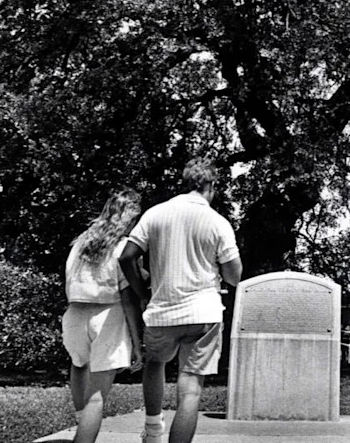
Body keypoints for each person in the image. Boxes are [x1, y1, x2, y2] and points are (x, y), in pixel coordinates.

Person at [120, 157, 242, 443]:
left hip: (162, 310)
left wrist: (142, 294)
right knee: (190, 390)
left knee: (155, 365)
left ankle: (152, 431)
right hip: (204, 313)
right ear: (210, 185)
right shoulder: (217, 222)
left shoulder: (155, 214)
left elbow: (126, 256)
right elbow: (234, 276)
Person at [62, 190, 144, 443]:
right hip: (108, 315)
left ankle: (81, 420)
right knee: (97, 395)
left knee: (78, 365)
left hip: (74, 313)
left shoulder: (80, 245)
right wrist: (136, 341)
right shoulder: (123, 249)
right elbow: (129, 300)